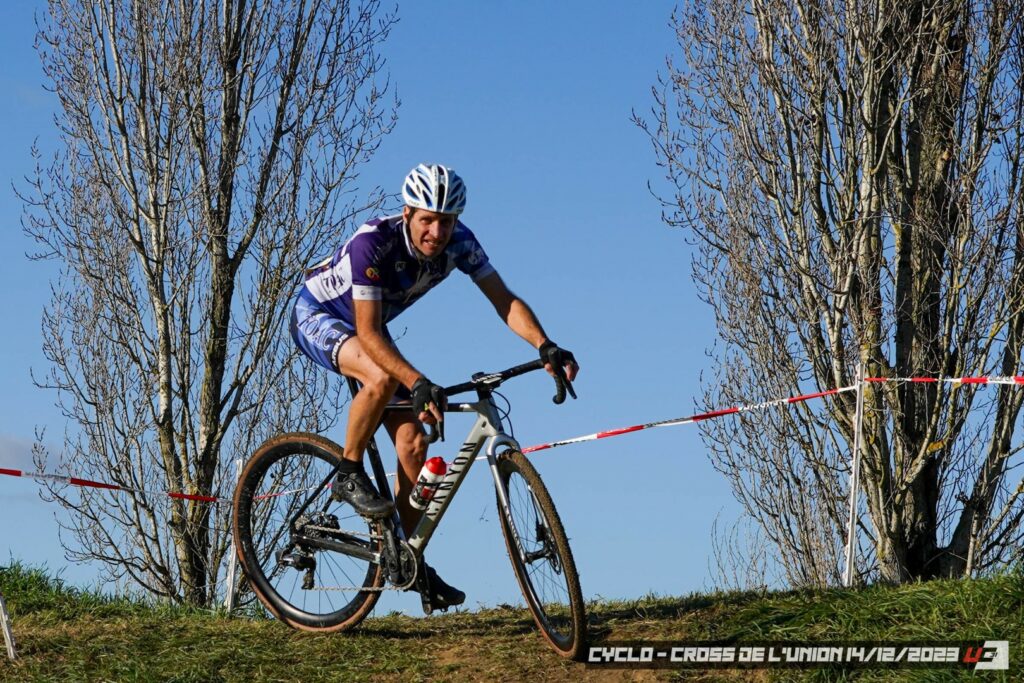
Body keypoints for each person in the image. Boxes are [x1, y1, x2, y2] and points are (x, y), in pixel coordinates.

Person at [290, 163, 578, 610]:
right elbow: (368, 334)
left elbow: (503, 299)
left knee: (413, 444)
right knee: (382, 376)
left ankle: (404, 555)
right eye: (427, 220)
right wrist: (418, 381)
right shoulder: (373, 244)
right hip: (321, 316)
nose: (437, 232)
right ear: (407, 213)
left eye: (446, 221)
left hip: (370, 329)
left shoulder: (460, 242)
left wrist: (546, 345)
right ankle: (347, 473)